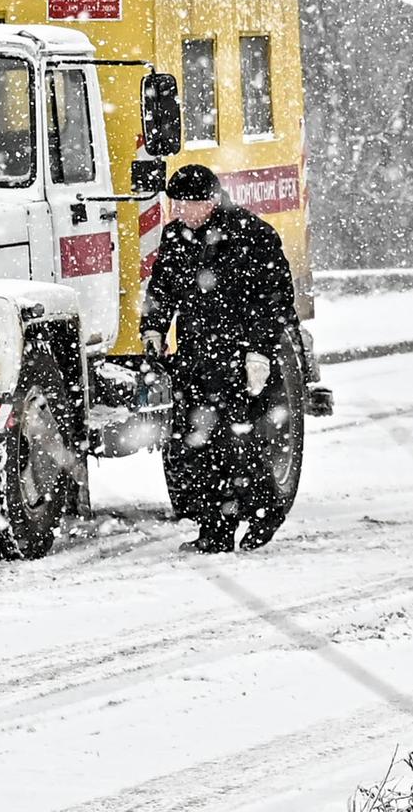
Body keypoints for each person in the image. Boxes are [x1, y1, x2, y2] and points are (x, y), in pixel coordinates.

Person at [140, 161, 297, 553]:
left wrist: (259, 352)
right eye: (174, 204)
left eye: (186, 204)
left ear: (210, 201)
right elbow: (162, 287)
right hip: (195, 358)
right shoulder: (176, 237)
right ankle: (215, 531)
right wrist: (155, 328)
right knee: (197, 448)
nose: (178, 212)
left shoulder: (253, 236)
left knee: (237, 444)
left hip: (240, 359)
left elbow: (274, 301)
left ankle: (266, 512)